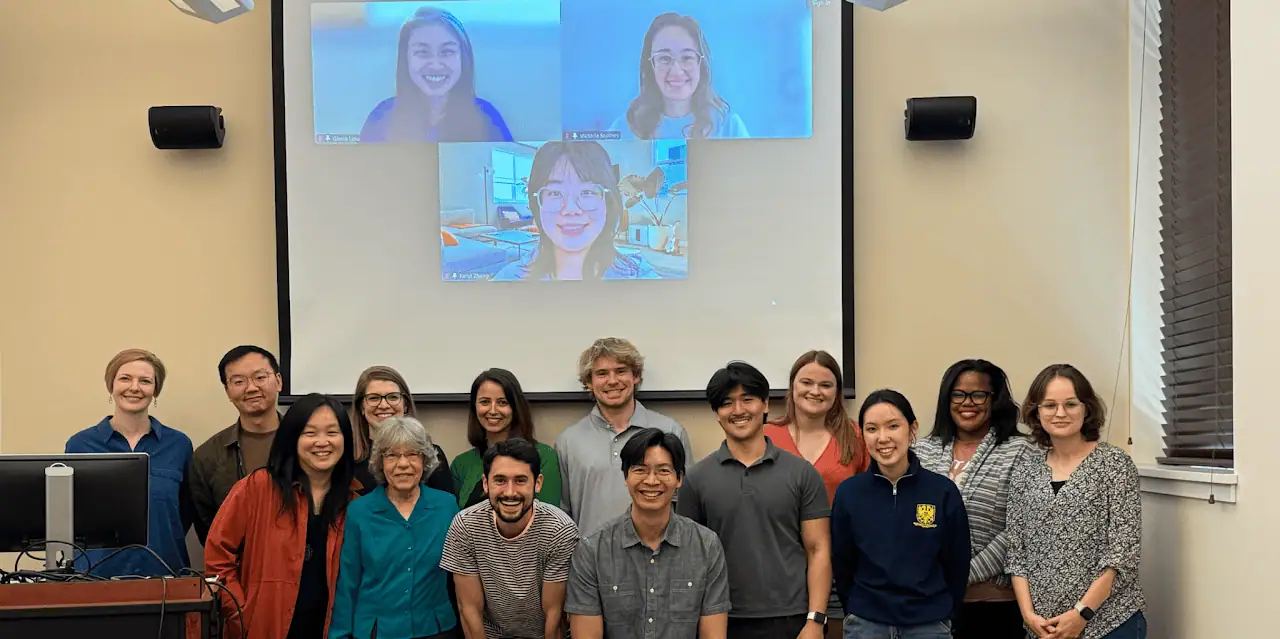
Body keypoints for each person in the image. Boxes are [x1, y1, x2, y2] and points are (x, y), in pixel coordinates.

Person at [676, 361, 830, 639]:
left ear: (765, 404)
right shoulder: (697, 478)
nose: (738, 410)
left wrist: (815, 620)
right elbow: (688, 559)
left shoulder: (802, 473)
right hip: (720, 618)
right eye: (727, 403)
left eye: (747, 399)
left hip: (791, 618)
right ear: (716, 413)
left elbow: (818, 549)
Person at [204, 393, 361, 639]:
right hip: (262, 628)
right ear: (292, 438)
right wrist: (238, 613)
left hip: (330, 630)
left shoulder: (355, 502)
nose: (322, 442)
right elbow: (217, 556)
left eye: (332, 432)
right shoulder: (257, 488)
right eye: (310, 433)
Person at [1007, 364, 1146, 639]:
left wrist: (1082, 614)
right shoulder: (1026, 471)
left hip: (1110, 624)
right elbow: (1016, 555)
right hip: (1043, 629)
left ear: (1087, 408)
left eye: (1071, 403)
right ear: (1036, 411)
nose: (1060, 413)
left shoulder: (1114, 465)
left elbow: (1123, 554)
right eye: (1049, 405)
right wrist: (1028, 617)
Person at [912, 359, 1037, 639]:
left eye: (978, 394)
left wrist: (960, 576)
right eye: (958, 394)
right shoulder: (922, 452)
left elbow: (1019, 530)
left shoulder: (1022, 451)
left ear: (995, 400)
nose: (967, 402)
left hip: (992, 606)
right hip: (927, 606)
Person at [831, 389, 970, 639]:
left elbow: (956, 564)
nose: (882, 438)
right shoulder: (849, 493)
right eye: (872, 429)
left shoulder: (942, 491)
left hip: (929, 623)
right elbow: (842, 563)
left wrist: (944, 612)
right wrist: (857, 608)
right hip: (867, 624)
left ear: (912, 429)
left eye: (893, 426)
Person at [565, 427, 730, 639]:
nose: (651, 481)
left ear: (679, 479)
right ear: (626, 476)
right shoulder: (592, 550)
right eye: (640, 470)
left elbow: (713, 635)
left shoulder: (706, 546)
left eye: (663, 471)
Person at [764, 350, 870, 637]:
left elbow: (869, 500)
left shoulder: (855, 437)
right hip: (778, 564)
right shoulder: (765, 436)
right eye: (806, 382)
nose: (815, 391)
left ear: (837, 392)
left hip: (838, 566)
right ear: (792, 386)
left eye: (826, 385)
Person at [65, 348, 193, 577]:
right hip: (95, 578)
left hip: (164, 576)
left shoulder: (179, 445)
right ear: (111, 385)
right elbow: (69, 514)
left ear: (155, 391)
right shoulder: (80, 445)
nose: (134, 387)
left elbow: (184, 512)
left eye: (145, 381)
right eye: (125, 378)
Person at [330, 416, 459, 639]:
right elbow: (347, 583)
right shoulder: (359, 512)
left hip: (434, 629)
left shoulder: (446, 506)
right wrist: (340, 634)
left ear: (424, 460)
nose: (403, 464)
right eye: (392, 455)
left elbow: (463, 572)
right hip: (376, 631)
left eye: (412, 454)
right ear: (380, 462)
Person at [440, 438, 579, 639]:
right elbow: (469, 610)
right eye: (500, 480)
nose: (510, 492)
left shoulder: (559, 530)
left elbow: (555, 616)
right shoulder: (466, 526)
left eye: (521, 480)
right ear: (486, 483)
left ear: (537, 483)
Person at [556, 337, 693, 537]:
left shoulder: (671, 431)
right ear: (589, 382)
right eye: (602, 373)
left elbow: (685, 505)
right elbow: (563, 514)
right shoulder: (568, 442)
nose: (612, 381)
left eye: (621, 371)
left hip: (659, 560)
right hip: (592, 562)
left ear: (636, 376)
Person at [490, 141, 661, 281]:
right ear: (536, 202)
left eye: (587, 192)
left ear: (608, 202)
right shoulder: (508, 279)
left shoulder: (640, 275)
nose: (571, 210)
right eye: (555, 193)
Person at [360, 6, 512, 143]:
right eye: (422, 52)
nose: (435, 65)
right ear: (406, 59)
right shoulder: (381, 118)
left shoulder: (486, 118)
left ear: (463, 58)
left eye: (447, 52)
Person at [189, 345, 283, 544]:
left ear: (278, 381)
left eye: (260, 377)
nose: (251, 388)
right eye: (239, 381)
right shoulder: (207, 456)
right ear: (228, 391)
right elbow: (208, 530)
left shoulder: (308, 444)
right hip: (236, 570)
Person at [610, 13, 748, 140]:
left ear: (701, 64)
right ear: (651, 66)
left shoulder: (728, 126)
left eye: (687, 57)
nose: (676, 71)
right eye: (664, 58)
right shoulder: (626, 128)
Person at [451, 368, 561, 509]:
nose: (493, 410)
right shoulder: (461, 464)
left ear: (515, 407)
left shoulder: (544, 457)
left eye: (502, 402)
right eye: (485, 402)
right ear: (474, 407)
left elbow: (548, 518)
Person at [350, 365, 453, 496]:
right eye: (373, 398)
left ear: (405, 405)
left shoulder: (430, 454)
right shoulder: (348, 461)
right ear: (362, 408)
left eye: (393, 397)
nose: (383, 405)